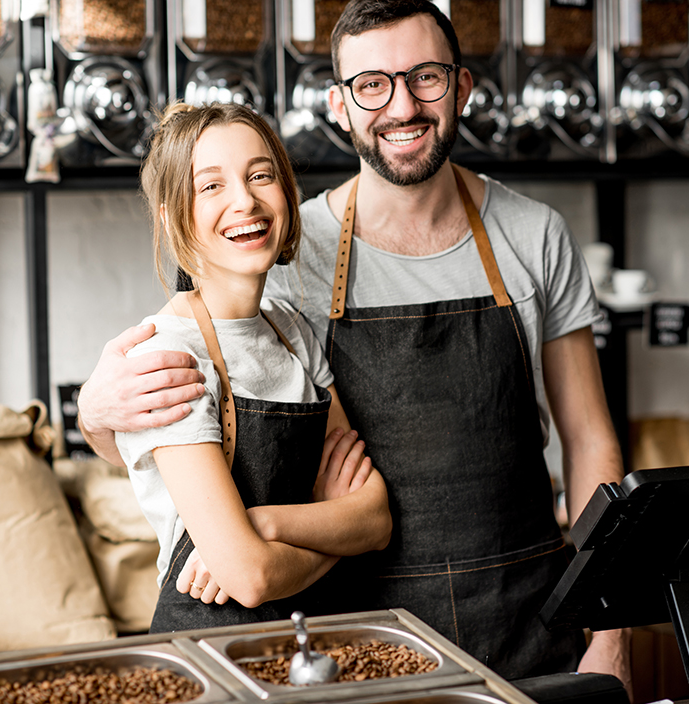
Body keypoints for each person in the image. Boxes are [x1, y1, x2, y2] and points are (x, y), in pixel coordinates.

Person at [77, 0, 631, 691]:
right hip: (359, 636)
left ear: (461, 87)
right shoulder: (284, 249)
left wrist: (611, 631)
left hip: (528, 618)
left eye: (425, 77)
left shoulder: (535, 235)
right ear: (339, 106)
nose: (401, 106)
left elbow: (591, 442)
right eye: (372, 84)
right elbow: (184, 433)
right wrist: (95, 415)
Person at [100, 101, 391, 632]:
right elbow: (250, 578)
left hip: (314, 638)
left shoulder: (290, 329)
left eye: (261, 175)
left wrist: (263, 524)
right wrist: (329, 531)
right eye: (211, 186)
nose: (245, 200)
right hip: (214, 651)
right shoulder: (170, 358)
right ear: (171, 215)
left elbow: (374, 520)